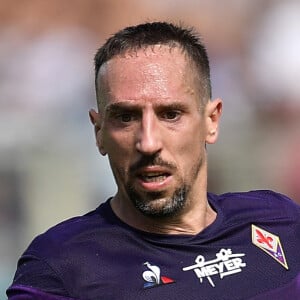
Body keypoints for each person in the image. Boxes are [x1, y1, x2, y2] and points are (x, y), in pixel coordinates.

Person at [7, 21, 300, 300]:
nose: (148, 143)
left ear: (211, 121)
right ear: (99, 132)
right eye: (126, 117)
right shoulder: (63, 267)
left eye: (170, 115)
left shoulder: (280, 221)